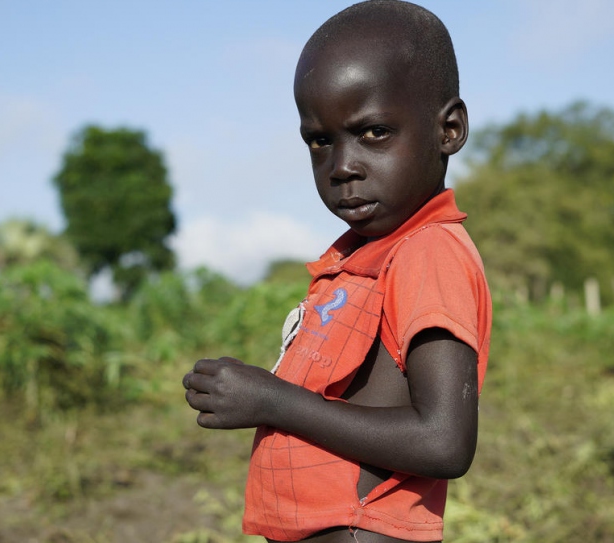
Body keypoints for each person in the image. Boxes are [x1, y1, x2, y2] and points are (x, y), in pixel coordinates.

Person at [182, 1, 492, 541]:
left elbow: (444, 440)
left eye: (373, 132)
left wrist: (271, 400)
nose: (342, 166)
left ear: (449, 129)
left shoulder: (428, 251)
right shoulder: (361, 257)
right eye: (320, 141)